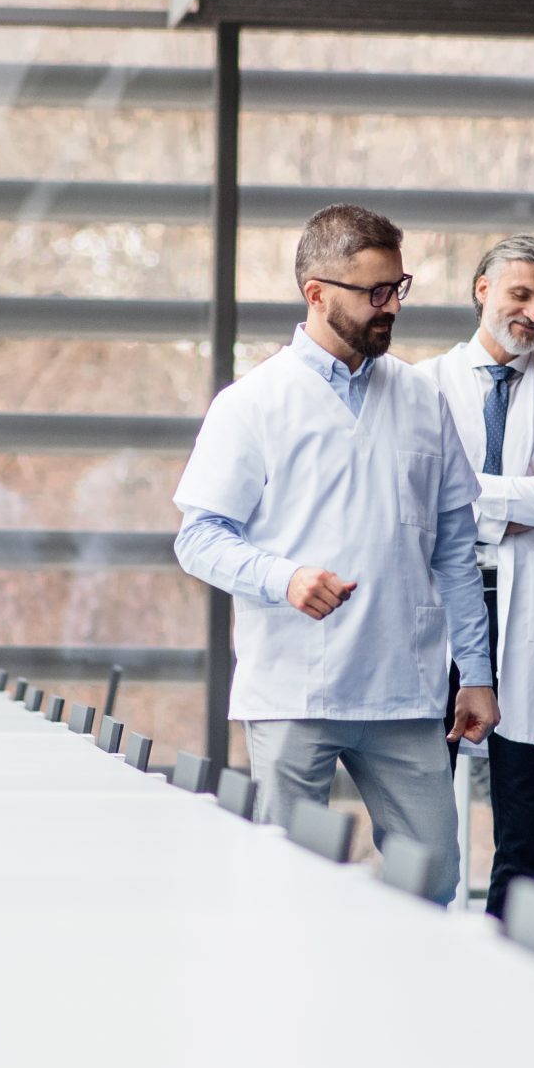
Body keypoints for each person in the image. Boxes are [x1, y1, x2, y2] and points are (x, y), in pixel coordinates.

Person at [171, 204, 498, 906]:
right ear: (316, 293)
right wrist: (282, 578)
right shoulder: (251, 404)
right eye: (373, 292)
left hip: (405, 690)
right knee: (284, 884)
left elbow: (454, 550)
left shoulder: (420, 396)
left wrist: (476, 671)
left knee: (434, 878)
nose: (391, 308)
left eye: (398, 288)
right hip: (295, 687)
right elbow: (198, 537)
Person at [418, 235, 534, 918]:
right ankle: (422, 951)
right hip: (443, 611)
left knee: (524, 827)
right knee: (424, 806)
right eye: (520, 294)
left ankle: (510, 973)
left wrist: (466, 495)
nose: (533, 311)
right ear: (482, 288)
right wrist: (517, 498)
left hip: (530, 615)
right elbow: (419, 498)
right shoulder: (424, 383)